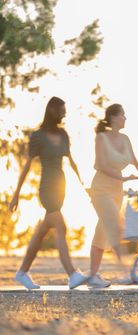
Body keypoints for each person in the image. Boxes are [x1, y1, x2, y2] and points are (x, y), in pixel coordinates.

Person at [9, 97, 88, 289]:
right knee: (61, 227)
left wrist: (84, 186)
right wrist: (16, 194)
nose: (65, 113)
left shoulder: (64, 135)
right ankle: (72, 274)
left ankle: (22, 272)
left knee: (43, 230)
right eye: (62, 110)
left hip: (61, 187)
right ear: (52, 110)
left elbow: (72, 161)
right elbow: (27, 166)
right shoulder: (38, 136)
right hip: (46, 189)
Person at [88, 103, 138, 288]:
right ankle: (127, 273)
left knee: (102, 233)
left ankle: (92, 276)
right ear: (114, 117)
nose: (125, 118)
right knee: (115, 226)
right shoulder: (101, 138)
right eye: (123, 115)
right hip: (100, 189)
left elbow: (135, 162)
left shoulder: (125, 139)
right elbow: (99, 165)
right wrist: (123, 177)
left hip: (117, 191)